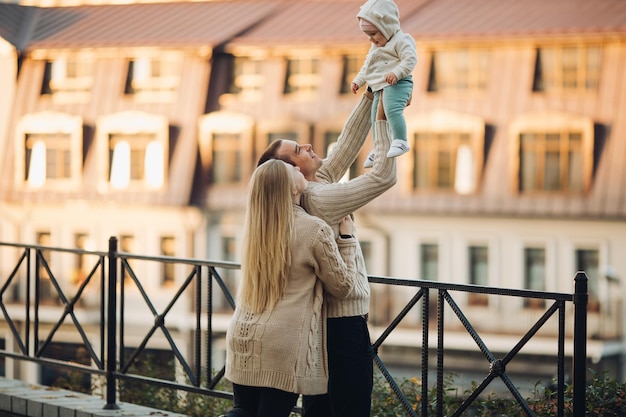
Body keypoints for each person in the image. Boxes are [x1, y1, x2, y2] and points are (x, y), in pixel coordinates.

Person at [257, 91, 397, 416]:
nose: (307, 145)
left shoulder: (312, 185)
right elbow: (384, 176)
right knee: (351, 406)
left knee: (321, 408)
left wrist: (371, 93)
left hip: (323, 323)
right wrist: (385, 121)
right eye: (297, 150)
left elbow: (347, 144)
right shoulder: (320, 199)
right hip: (343, 322)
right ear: (294, 172)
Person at [222, 159, 358, 417]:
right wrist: (347, 239)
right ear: (291, 189)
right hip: (282, 346)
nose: (298, 168)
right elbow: (342, 287)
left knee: (242, 411)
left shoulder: (255, 228)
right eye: (292, 170)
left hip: (243, 335)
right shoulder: (313, 229)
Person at [351, 0, 417, 168]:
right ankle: (380, 147)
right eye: (367, 35)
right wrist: (359, 81)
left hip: (399, 83)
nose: (371, 39)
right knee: (375, 118)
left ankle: (401, 140)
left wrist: (396, 73)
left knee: (392, 110)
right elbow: (368, 66)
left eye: (373, 33)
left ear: (387, 26)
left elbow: (410, 59)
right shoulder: (376, 46)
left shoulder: (401, 40)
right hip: (380, 86)